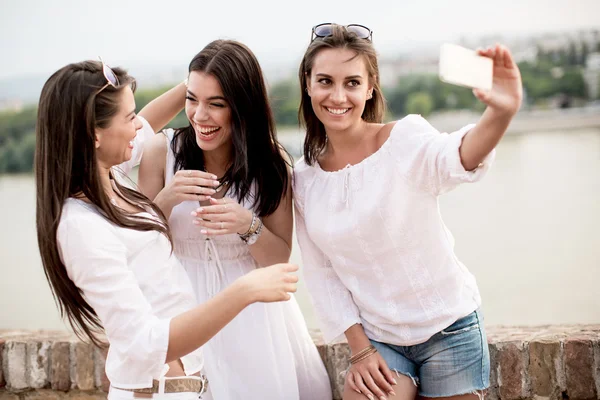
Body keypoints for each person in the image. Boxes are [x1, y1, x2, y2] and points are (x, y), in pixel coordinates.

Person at [35, 59, 300, 400]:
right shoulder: (80, 226)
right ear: (94, 133)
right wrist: (243, 291)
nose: (139, 127)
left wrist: (201, 82)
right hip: (156, 391)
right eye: (130, 118)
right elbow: (144, 344)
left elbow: (147, 121)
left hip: (182, 386)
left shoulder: (111, 180)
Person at [293, 23, 523, 400]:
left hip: (450, 328)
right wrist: (361, 349)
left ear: (370, 88)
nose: (338, 95)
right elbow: (322, 274)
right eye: (325, 81)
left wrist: (500, 113)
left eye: (352, 82)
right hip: (380, 340)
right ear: (308, 84)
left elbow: (457, 158)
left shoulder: (405, 139)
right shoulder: (303, 179)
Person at [138, 40, 332, 400]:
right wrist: (166, 200)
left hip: (254, 320)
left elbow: (278, 261)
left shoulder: (271, 165)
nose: (199, 115)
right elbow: (139, 251)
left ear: (243, 108)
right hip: (180, 313)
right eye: (192, 99)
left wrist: (247, 225)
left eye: (216, 104)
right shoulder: (161, 152)